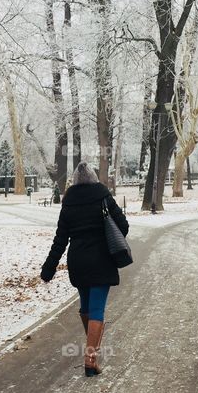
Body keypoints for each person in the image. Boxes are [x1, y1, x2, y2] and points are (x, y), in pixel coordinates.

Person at [40, 161, 129, 376]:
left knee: (86, 307)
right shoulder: (103, 196)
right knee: (97, 309)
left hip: (78, 261)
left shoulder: (68, 202)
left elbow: (60, 239)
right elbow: (124, 226)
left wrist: (48, 268)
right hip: (101, 260)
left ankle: (91, 352)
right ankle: (91, 359)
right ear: (94, 178)